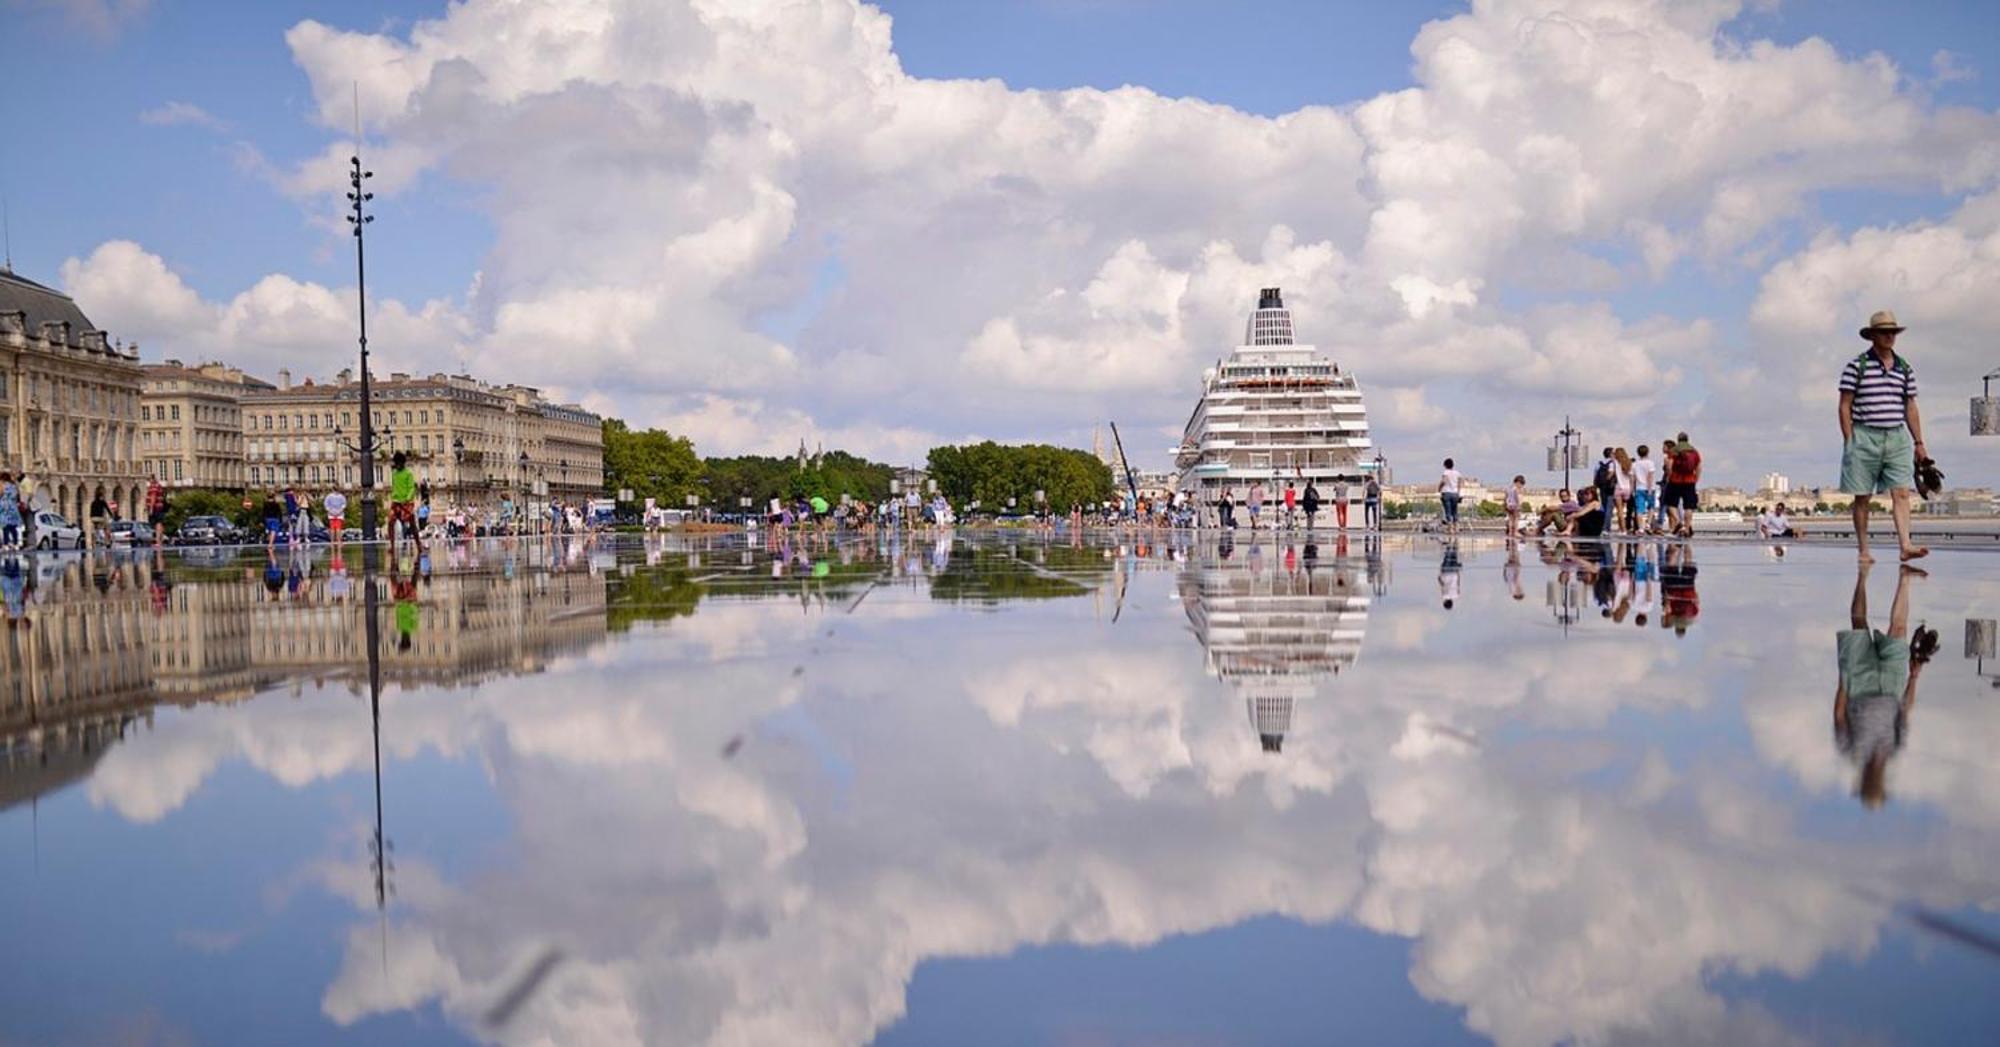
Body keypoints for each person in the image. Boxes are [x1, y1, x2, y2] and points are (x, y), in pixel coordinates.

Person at [1834, 563, 1933, 808]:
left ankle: (1862, 578)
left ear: (1865, 782)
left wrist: (1844, 677)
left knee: (1859, 625)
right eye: (1878, 787)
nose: (1875, 782)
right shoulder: (1894, 748)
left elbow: (1839, 716)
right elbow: (1904, 712)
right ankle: (1905, 580)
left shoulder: (1851, 751)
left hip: (1858, 683)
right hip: (1891, 686)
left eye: (1871, 786)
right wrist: (1914, 678)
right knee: (1899, 629)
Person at [1839, 309, 1929, 564]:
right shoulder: (1856, 366)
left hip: (1897, 435)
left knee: (1901, 492)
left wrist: (1919, 442)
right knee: (1862, 496)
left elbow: (1910, 406)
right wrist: (1849, 439)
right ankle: (1863, 549)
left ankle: (1905, 545)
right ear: (1873, 336)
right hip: (1865, 434)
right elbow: (1845, 404)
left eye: (1892, 332)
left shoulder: (1904, 368)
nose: (1889, 336)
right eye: (1884, 332)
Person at [1662, 431, 1702, 538]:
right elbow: (1698, 467)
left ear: (1678, 439)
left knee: (1670, 503)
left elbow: (1669, 466)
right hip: (1690, 481)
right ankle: (1686, 528)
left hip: (1675, 480)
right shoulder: (1694, 451)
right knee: (1689, 506)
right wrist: (1696, 479)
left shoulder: (1674, 451)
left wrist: (1670, 476)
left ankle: (1679, 522)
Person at [389, 451, 420, 547]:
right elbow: (394, 486)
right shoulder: (394, 473)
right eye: (396, 463)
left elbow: (411, 487)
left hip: (406, 503)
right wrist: (393, 496)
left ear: (402, 463)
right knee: (390, 522)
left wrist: (408, 498)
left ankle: (418, 544)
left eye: (398, 463)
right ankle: (392, 545)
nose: (397, 465)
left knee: (412, 524)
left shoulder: (408, 473)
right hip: (396, 502)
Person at [1632, 445, 1659, 535]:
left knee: (1639, 509)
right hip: (1649, 488)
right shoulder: (1650, 463)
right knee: (1651, 507)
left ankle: (1641, 529)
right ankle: (1648, 524)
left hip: (1639, 488)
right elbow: (1650, 476)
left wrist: (1632, 489)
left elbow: (1633, 478)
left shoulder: (1635, 464)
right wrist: (1650, 488)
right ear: (1647, 452)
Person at [1593, 447, 1618, 528]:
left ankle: (1602, 524)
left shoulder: (1599, 463)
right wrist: (1608, 480)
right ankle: (1606, 526)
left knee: (1603, 505)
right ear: (1611, 454)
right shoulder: (1612, 463)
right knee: (1609, 506)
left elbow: (1595, 476)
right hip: (1610, 487)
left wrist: (1596, 486)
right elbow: (1611, 474)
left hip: (1601, 487)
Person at [1613, 448, 1636, 534]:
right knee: (1631, 509)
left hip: (1619, 488)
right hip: (1628, 488)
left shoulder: (1615, 463)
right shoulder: (1630, 464)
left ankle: (1623, 530)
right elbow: (1632, 478)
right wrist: (1632, 489)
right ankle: (1633, 527)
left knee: (1620, 511)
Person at [1437, 458, 1462, 534]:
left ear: (1445, 465)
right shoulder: (1457, 473)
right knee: (1455, 511)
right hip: (1455, 493)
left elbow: (1443, 482)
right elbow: (1459, 483)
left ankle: (1450, 528)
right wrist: (1458, 492)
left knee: (1448, 511)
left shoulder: (1446, 473)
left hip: (1446, 493)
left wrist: (1439, 488)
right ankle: (1456, 527)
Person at [0, 473, 20, 551]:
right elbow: (16, 496)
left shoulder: (2, 485)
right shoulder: (13, 486)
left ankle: (6, 544)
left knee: (5, 527)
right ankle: (16, 544)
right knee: (13, 527)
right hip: (13, 507)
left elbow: (0, 494)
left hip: (5, 507)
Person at [145, 478, 167, 546]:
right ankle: (160, 540)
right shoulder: (159, 486)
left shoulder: (153, 487)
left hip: (155, 508)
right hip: (160, 507)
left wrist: (151, 508)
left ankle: (158, 541)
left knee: (157, 524)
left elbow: (153, 497)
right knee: (160, 523)